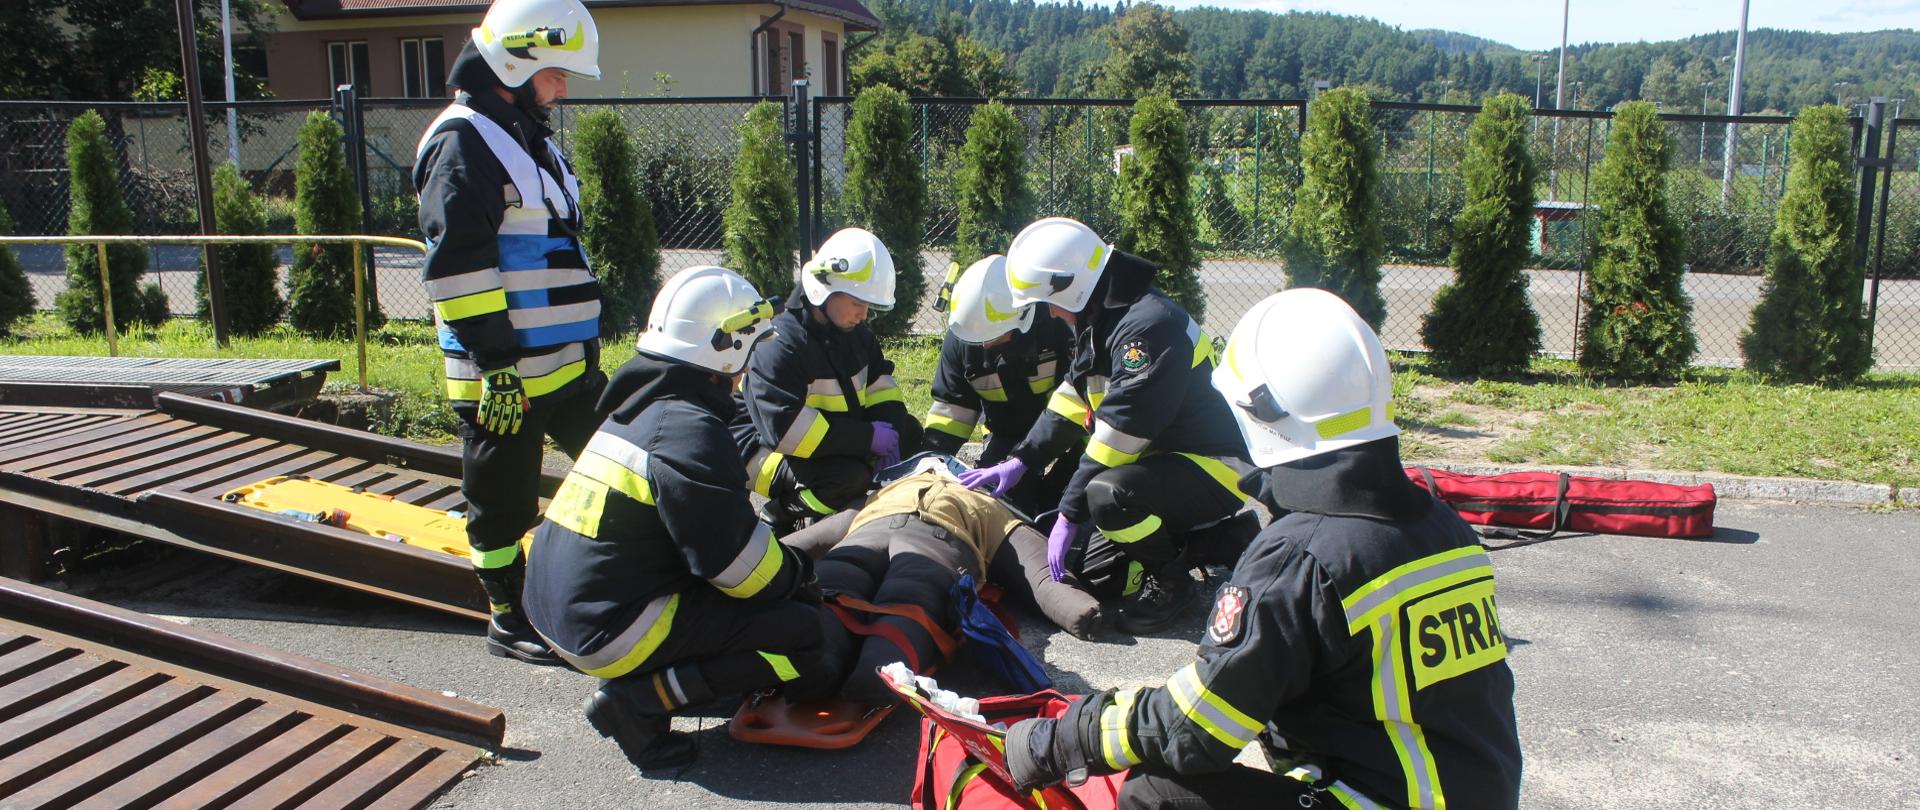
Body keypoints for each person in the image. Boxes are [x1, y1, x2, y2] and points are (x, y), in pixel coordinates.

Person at [1003, 288, 1524, 810]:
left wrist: (1064, 739)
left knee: (1156, 794)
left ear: (1260, 413)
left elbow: (1195, 729)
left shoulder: (1298, 560)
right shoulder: (1445, 527)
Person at [523, 266, 831, 772]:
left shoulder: (643, 404)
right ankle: (638, 704)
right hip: (608, 630)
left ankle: (667, 681)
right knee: (801, 636)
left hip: (560, 607)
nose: (749, 369)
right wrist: (800, 576)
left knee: (752, 614)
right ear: (726, 350)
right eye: (749, 352)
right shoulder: (687, 431)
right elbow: (742, 572)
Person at [413, 0, 607, 665]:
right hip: (503, 376)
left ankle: (600, 578)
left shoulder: (528, 135)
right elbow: (458, 268)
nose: (564, 87)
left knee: (623, 465)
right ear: (515, 62)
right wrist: (495, 363)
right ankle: (508, 617)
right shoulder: (462, 142)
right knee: (501, 500)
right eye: (557, 73)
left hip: (566, 367)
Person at [960, 217, 1255, 635]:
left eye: (1049, 301)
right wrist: (1020, 461)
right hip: (1162, 464)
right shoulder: (1104, 318)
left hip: (1215, 466)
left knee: (1107, 498)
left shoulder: (1148, 327)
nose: (1050, 312)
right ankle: (1224, 542)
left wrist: (1069, 512)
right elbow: (1071, 398)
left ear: (1072, 286)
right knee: (1096, 571)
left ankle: (1174, 587)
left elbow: (1121, 432)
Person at [732, 227, 923, 533]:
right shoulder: (779, 344)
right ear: (825, 289)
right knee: (849, 478)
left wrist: (891, 431)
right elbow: (785, 430)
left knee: (911, 434)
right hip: (760, 448)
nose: (864, 314)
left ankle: (838, 508)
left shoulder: (856, 336)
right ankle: (781, 512)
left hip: (824, 439)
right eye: (858, 303)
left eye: (869, 306)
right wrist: (866, 439)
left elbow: (883, 390)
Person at [924, 256, 1079, 515]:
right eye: (977, 337)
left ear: (1023, 319)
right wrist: (930, 463)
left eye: (991, 336)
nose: (983, 346)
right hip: (1007, 430)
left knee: (1066, 500)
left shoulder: (1058, 327)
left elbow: (1083, 401)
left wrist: (1056, 478)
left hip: (1072, 430)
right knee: (1001, 500)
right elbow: (952, 410)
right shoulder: (963, 337)